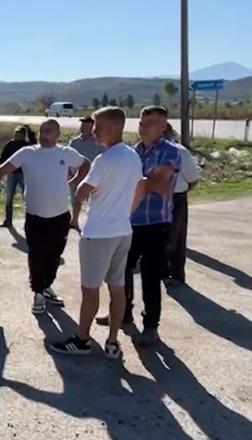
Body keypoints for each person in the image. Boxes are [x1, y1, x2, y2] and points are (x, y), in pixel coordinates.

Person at [49, 107, 144, 359]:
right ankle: (112, 342)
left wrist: (82, 188)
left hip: (99, 233)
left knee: (90, 290)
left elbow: (82, 192)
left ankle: (82, 340)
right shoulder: (133, 156)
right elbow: (139, 187)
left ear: (114, 127)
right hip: (123, 231)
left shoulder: (104, 160)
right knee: (117, 287)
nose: (93, 131)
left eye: (98, 127)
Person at [0, 120, 90, 314]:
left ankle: (47, 286)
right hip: (35, 216)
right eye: (42, 131)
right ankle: (38, 293)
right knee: (37, 254)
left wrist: (76, 180)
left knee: (54, 255)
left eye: (49, 131)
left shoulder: (66, 153)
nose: (44, 134)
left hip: (60, 216)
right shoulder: (27, 153)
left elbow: (85, 164)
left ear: (57, 134)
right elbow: (3, 169)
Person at [96, 106, 181, 346]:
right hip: (129, 222)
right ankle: (122, 314)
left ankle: (151, 325)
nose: (143, 128)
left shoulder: (170, 151)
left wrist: (138, 183)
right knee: (120, 272)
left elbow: (158, 184)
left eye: (150, 124)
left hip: (155, 223)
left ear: (163, 126)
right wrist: (143, 182)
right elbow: (141, 183)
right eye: (142, 123)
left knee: (150, 277)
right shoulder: (133, 152)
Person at [164, 123, 200, 285]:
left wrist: (181, 191)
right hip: (151, 197)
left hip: (175, 197)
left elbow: (193, 178)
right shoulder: (143, 150)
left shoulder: (180, 152)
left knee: (175, 237)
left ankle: (175, 274)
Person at [68, 116, 103, 230]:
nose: (84, 128)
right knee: (75, 200)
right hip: (75, 176)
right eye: (82, 125)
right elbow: (68, 157)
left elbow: (103, 158)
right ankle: (74, 221)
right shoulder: (75, 141)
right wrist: (69, 173)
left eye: (87, 126)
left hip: (92, 176)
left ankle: (94, 222)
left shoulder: (98, 142)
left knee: (92, 201)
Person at [0, 125, 31, 227]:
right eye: (16, 134)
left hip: (23, 173)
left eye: (20, 134)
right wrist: (5, 170)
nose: (18, 136)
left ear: (24, 135)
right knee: (9, 197)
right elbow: (2, 158)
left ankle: (30, 220)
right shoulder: (9, 145)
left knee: (27, 197)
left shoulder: (27, 146)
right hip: (11, 173)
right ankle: (8, 220)